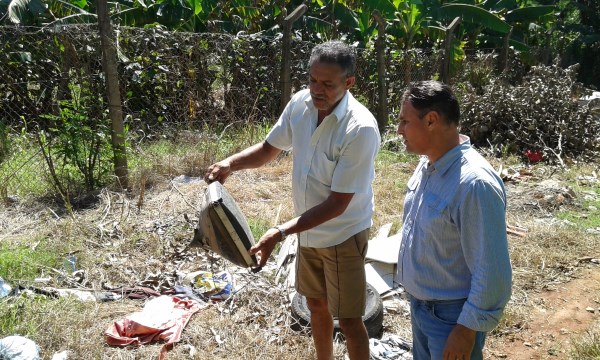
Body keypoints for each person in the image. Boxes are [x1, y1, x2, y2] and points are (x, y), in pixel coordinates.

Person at [205, 40, 381, 360]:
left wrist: (280, 232)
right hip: (308, 230)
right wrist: (230, 164)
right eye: (313, 79)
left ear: (349, 83)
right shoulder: (300, 105)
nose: (317, 89)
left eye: (328, 83)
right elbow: (268, 149)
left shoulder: (360, 129)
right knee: (316, 304)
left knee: (351, 318)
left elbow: (337, 204)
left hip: (342, 233)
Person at [395, 80, 512, 360]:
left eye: (404, 121)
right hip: (422, 309)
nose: (399, 130)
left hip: (451, 319)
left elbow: (492, 271)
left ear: (432, 120)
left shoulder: (475, 184)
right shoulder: (428, 165)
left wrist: (466, 330)